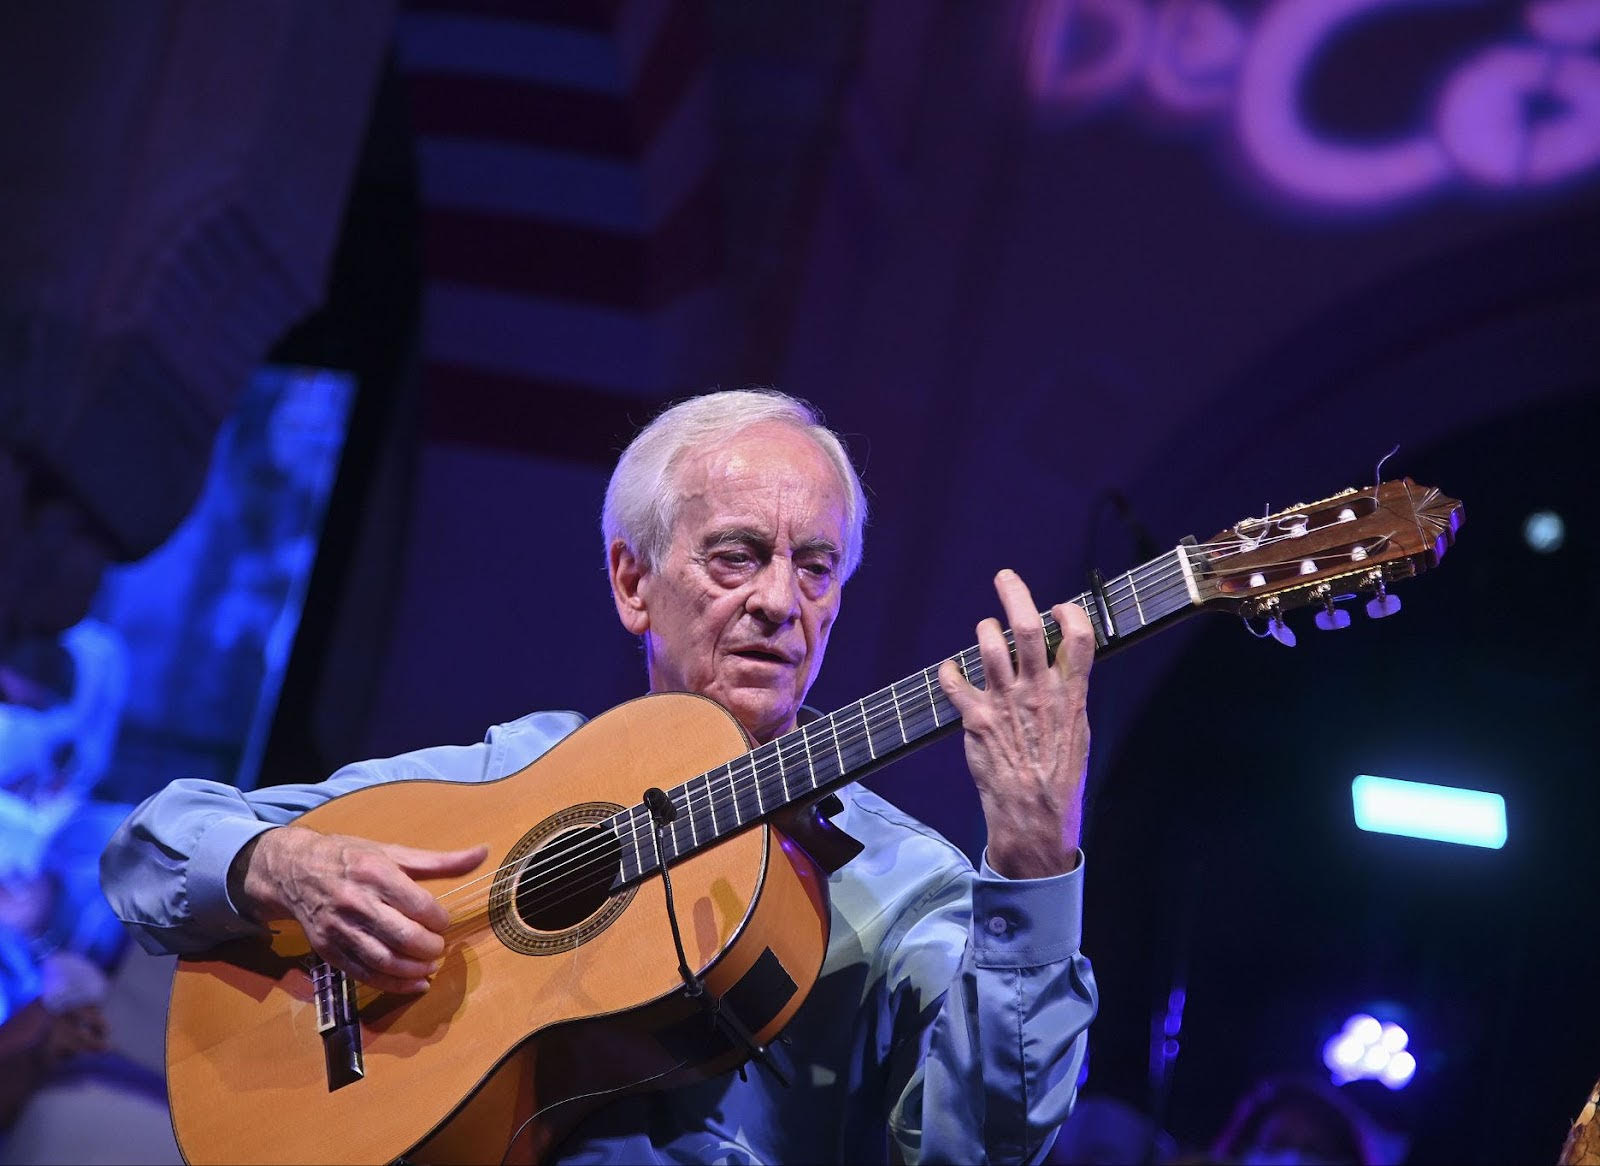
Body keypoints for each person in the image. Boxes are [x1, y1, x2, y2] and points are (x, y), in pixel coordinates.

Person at [100, 388, 1100, 1164]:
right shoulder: (527, 765)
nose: (778, 601)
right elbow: (152, 852)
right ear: (632, 581)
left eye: (815, 566)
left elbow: (987, 1145)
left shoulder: (903, 882)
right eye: (738, 554)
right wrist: (286, 865)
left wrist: (1032, 858)